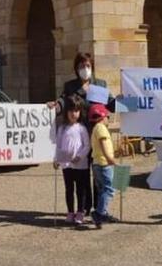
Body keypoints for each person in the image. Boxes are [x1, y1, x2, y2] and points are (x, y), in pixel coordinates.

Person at [48, 52, 114, 215]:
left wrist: (125, 101)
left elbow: (111, 104)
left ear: (92, 67)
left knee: (99, 174)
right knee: (83, 175)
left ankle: (99, 209)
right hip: (80, 137)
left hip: (98, 136)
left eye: (87, 65)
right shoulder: (70, 86)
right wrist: (56, 107)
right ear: (76, 69)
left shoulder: (100, 85)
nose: (84, 69)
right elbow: (64, 101)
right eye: (81, 66)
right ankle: (84, 207)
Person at [53, 95, 91, 226]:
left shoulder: (82, 128)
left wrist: (79, 156)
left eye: (76, 111)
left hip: (79, 165)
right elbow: (58, 145)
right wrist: (56, 159)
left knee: (80, 189)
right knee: (69, 189)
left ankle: (80, 211)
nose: (74, 114)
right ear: (66, 112)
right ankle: (70, 212)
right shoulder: (62, 128)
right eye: (71, 111)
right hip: (66, 164)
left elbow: (87, 146)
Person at [89, 103, 118, 227]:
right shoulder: (101, 127)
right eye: (107, 117)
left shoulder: (96, 128)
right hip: (103, 164)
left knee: (102, 190)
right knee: (109, 188)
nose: (108, 119)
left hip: (97, 163)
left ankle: (101, 216)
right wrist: (109, 158)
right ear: (102, 116)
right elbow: (102, 143)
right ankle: (99, 213)